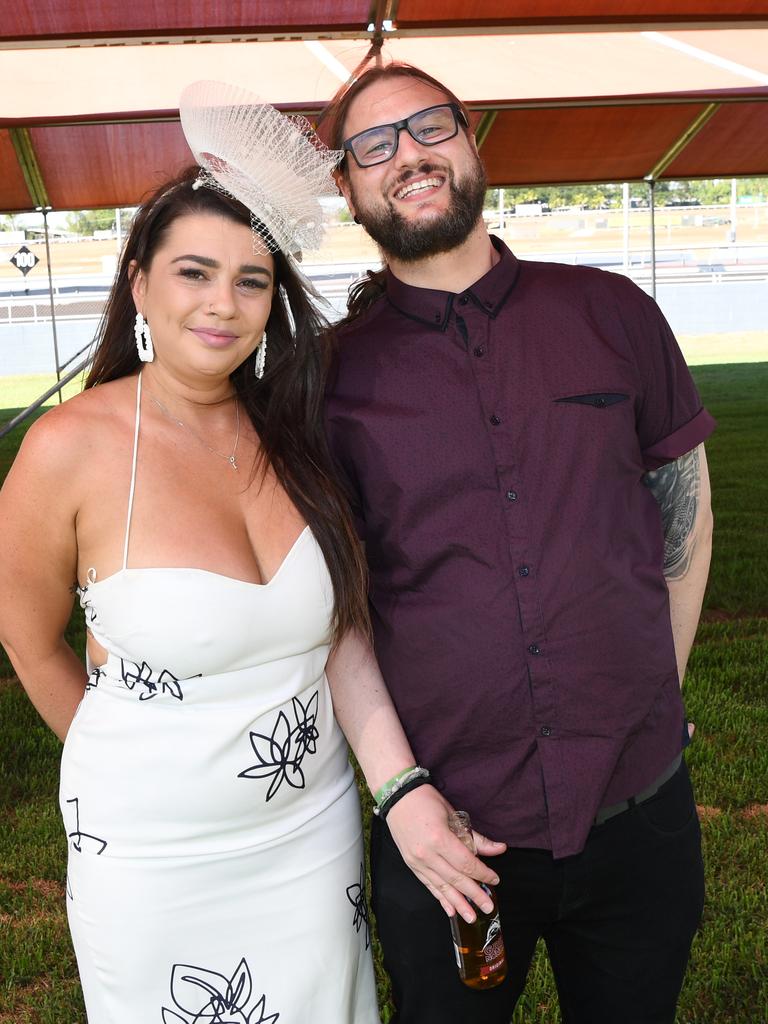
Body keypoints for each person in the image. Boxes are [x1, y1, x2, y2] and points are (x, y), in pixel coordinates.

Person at [0, 80, 467, 1024]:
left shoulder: (295, 432)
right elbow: (25, 633)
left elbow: (340, 632)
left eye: (251, 280)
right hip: (153, 862)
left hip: (312, 841)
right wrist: (122, 765)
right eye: (194, 272)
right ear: (139, 281)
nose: (223, 303)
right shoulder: (69, 449)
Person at [321, 62, 715, 1024]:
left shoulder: (611, 312)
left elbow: (685, 516)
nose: (408, 154)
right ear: (348, 188)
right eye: (374, 145)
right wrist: (401, 793)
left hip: (639, 810)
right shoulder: (326, 380)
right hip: (449, 834)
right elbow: (330, 608)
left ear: (470, 140)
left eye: (428, 126)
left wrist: (652, 696)